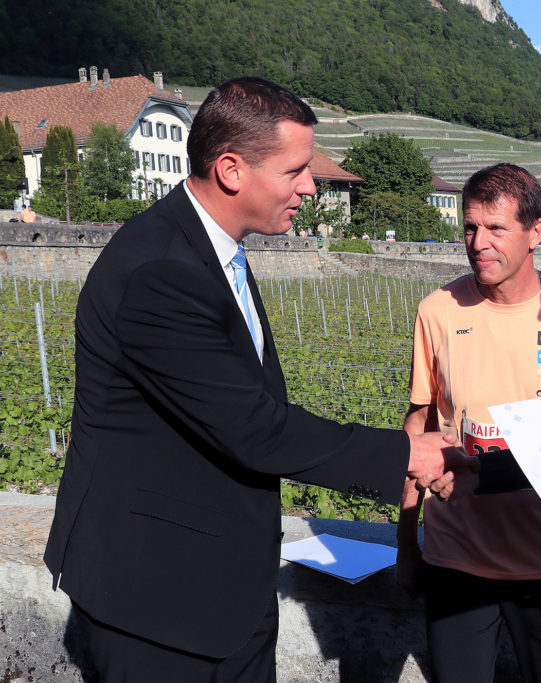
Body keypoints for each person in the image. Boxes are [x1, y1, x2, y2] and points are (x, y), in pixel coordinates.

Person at [43, 77, 466, 682]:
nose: (310, 186)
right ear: (231, 170)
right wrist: (407, 453)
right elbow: (254, 428)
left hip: (222, 586)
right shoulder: (161, 272)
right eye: (295, 170)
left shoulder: (212, 250)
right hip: (157, 601)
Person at [399, 163, 541, 682]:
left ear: (536, 232)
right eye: (470, 227)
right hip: (455, 562)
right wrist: (407, 544)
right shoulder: (437, 311)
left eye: (496, 228)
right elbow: (418, 430)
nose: (478, 243)